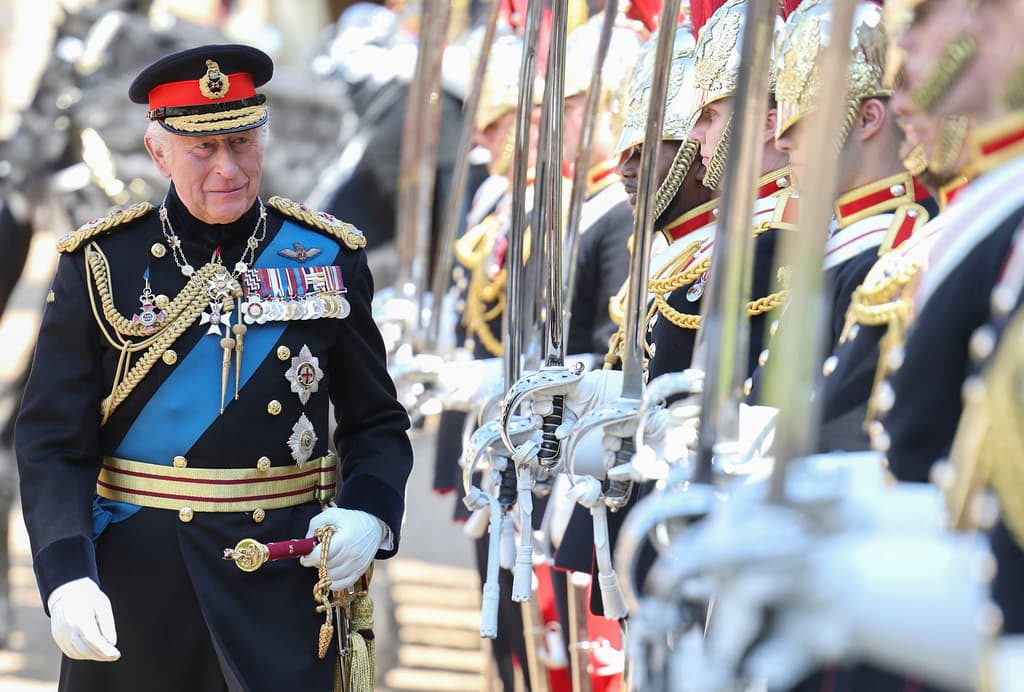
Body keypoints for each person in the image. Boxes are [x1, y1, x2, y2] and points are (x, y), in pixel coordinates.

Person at [15, 44, 413, 691]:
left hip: (284, 586)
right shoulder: (102, 264)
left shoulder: (325, 257)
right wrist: (66, 575)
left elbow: (376, 423)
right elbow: (53, 443)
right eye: (205, 149)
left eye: (243, 143)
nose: (228, 168)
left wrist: (370, 512)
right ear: (158, 151)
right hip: (139, 594)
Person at [765, 0, 937, 453]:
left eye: (803, 121)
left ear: (867, 119)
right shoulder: (844, 241)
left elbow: (844, 434)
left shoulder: (893, 250)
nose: (782, 141)